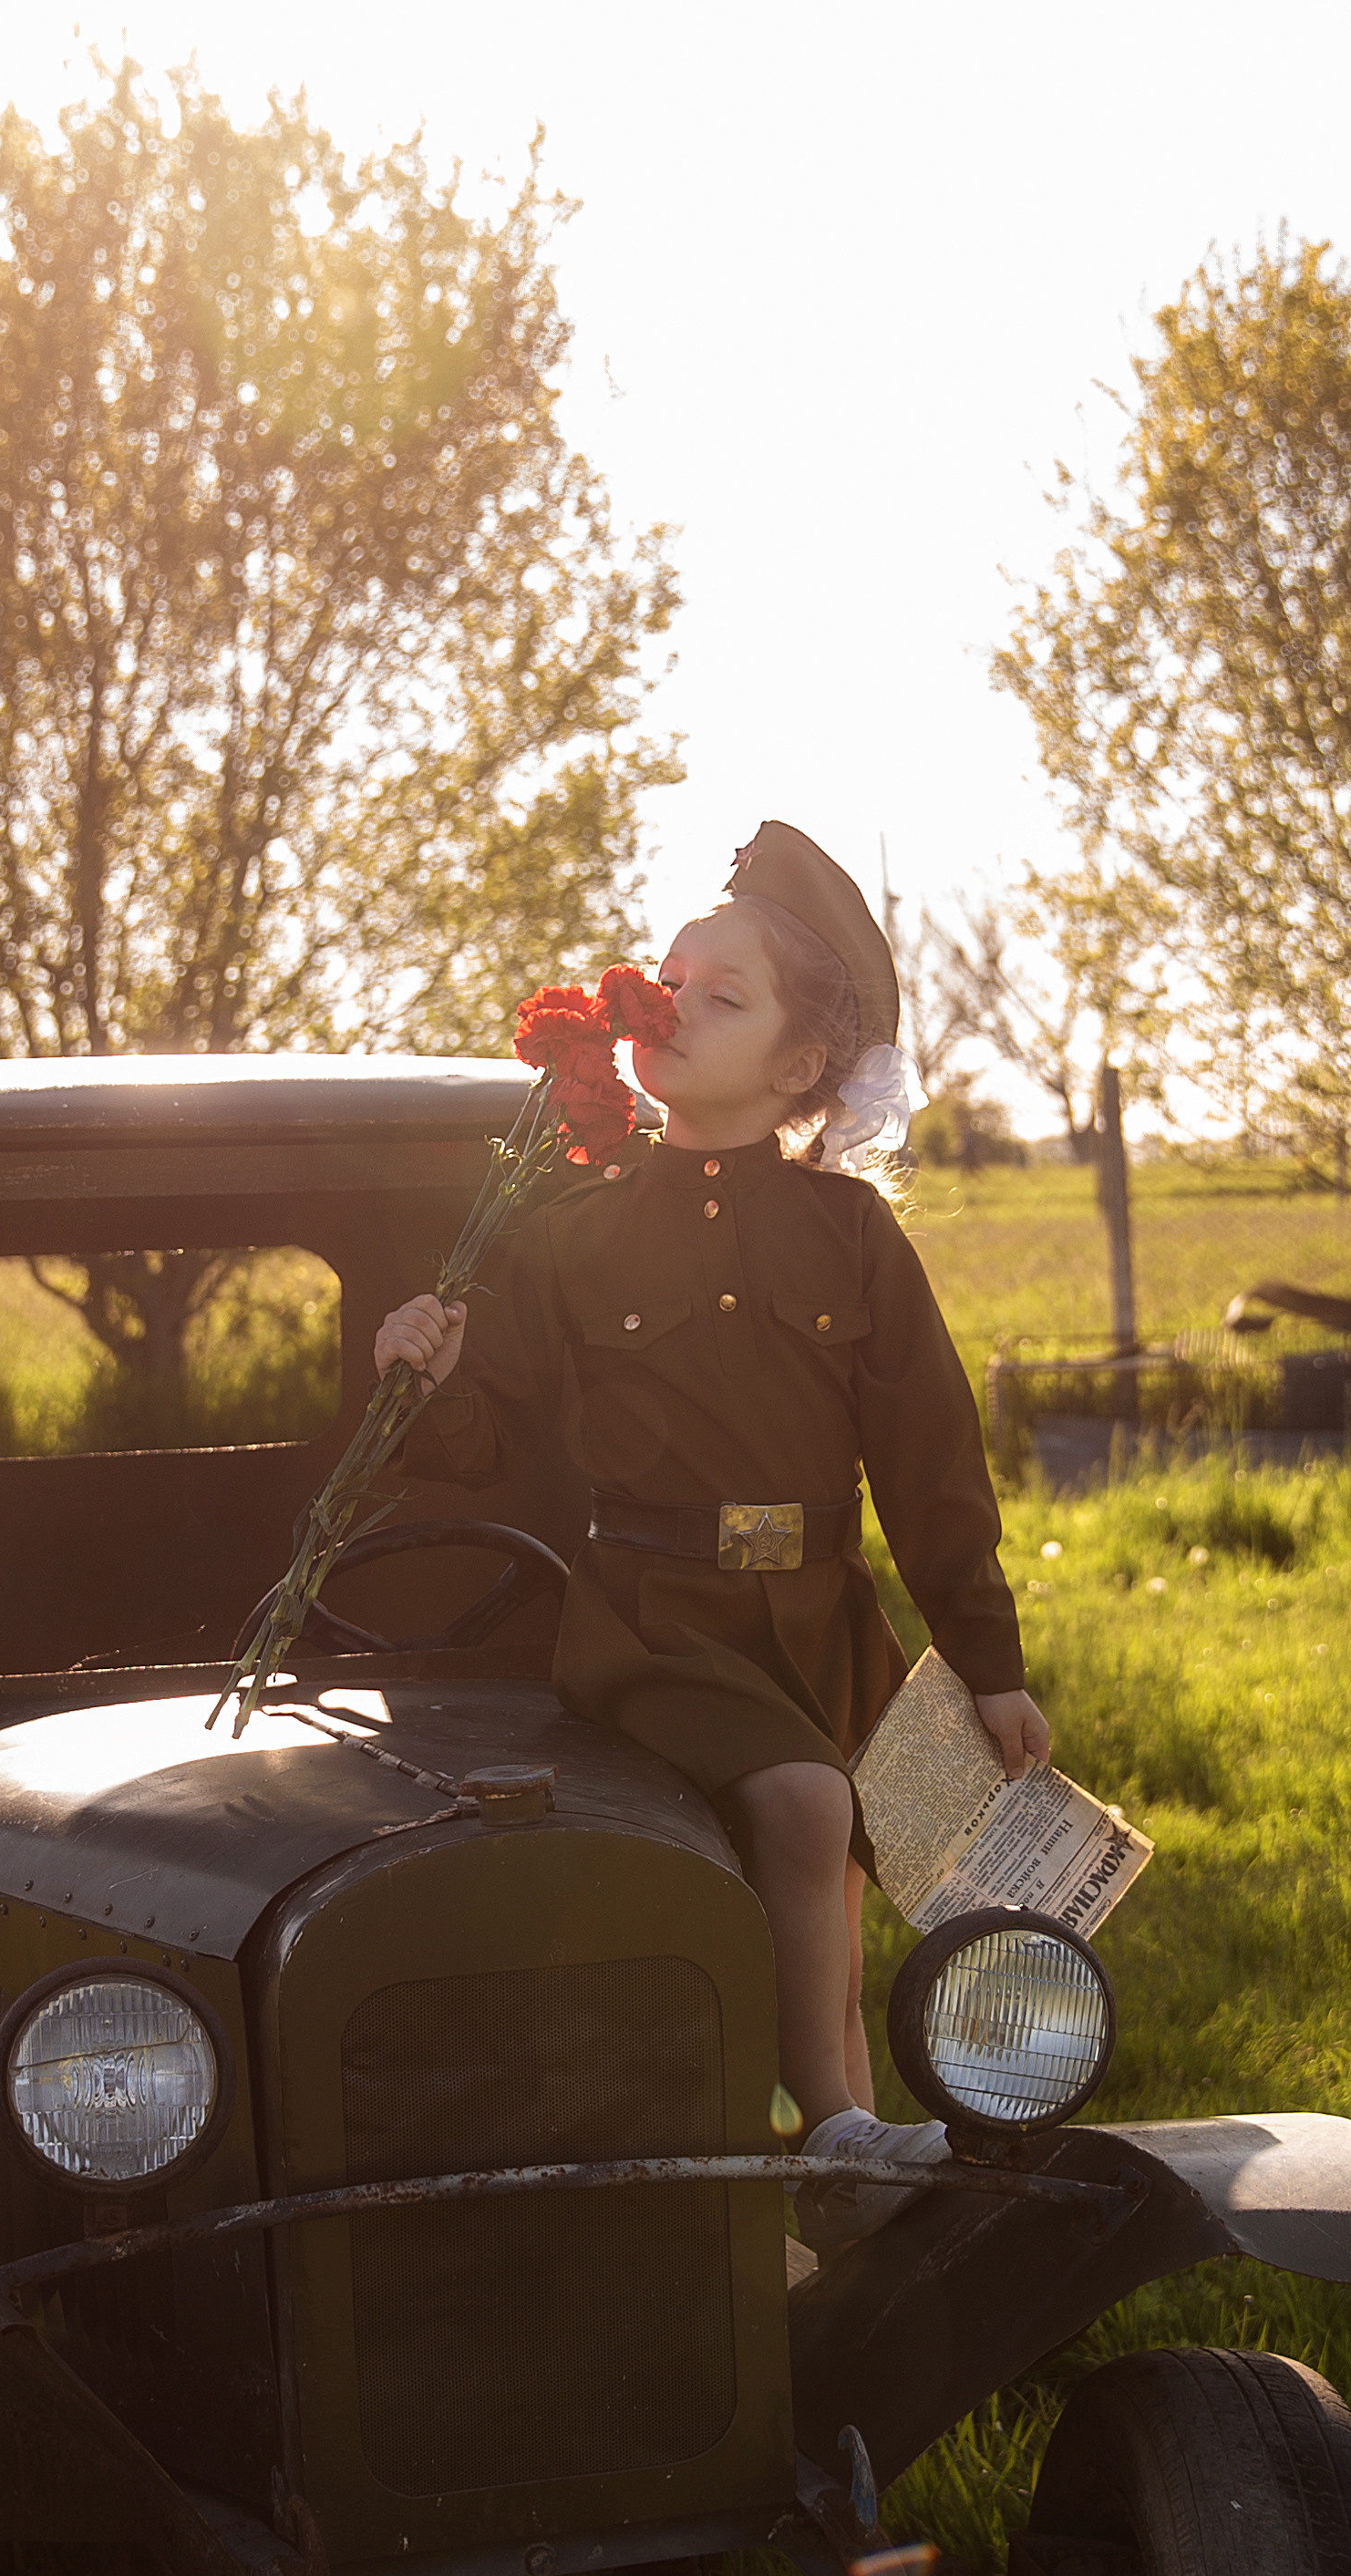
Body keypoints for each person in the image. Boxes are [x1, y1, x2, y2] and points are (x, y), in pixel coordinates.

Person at [373, 820, 1049, 2243]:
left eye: (719, 998)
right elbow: (488, 1447)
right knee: (803, 1807)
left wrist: (984, 1662)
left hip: (819, 1620)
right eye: (668, 978)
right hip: (649, 1619)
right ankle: (835, 2131)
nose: (670, 1008)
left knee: (837, 1876)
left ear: (801, 1068)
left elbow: (931, 1466)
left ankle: (829, 2226)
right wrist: (429, 1376)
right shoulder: (570, 1227)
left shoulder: (853, 1238)